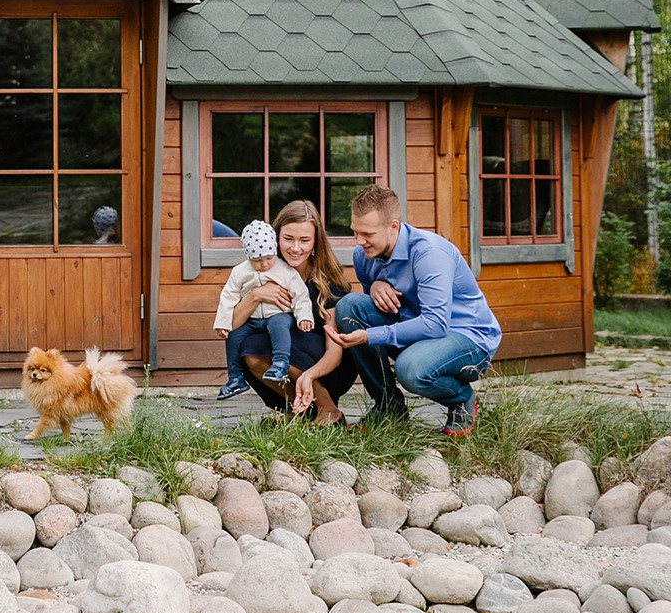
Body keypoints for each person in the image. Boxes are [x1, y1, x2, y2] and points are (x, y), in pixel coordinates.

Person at [327, 183, 501, 435]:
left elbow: (435, 323)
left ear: (393, 227)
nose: (359, 241)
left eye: (367, 234)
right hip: (417, 328)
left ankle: (462, 399)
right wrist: (376, 284)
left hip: (468, 338)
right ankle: (388, 407)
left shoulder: (429, 253)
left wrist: (369, 336)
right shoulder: (363, 254)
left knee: (411, 369)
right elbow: (372, 310)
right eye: (355, 231)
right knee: (350, 306)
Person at [237, 200, 358, 425]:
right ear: (276, 238)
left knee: (281, 339)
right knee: (247, 349)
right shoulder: (262, 270)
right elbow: (231, 324)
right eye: (288, 239)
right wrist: (257, 295)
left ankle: (327, 408)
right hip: (283, 360)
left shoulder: (328, 279)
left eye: (304, 240)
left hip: (328, 366)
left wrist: (309, 375)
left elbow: (335, 351)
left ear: (315, 242)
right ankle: (303, 409)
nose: (295, 248)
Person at [213, 220, 314, 398]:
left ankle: (280, 364)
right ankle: (235, 378)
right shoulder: (240, 272)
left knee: (279, 326)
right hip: (252, 319)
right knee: (234, 336)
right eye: (258, 261)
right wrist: (223, 323)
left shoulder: (285, 270)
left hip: (278, 314)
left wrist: (305, 317)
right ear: (248, 256)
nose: (265, 264)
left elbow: (301, 295)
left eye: (269, 258)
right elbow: (228, 297)